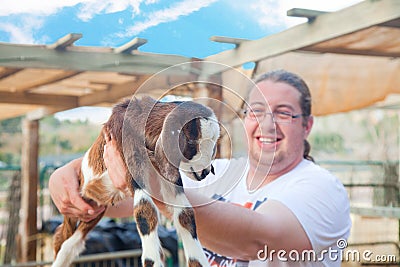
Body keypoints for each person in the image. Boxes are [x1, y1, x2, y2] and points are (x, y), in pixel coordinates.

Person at [49, 69, 351, 266]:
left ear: (308, 125)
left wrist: (149, 181)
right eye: (255, 111)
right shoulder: (217, 172)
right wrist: (74, 173)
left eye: (284, 113)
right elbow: (121, 202)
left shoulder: (320, 187)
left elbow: (259, 241)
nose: (267, 124)